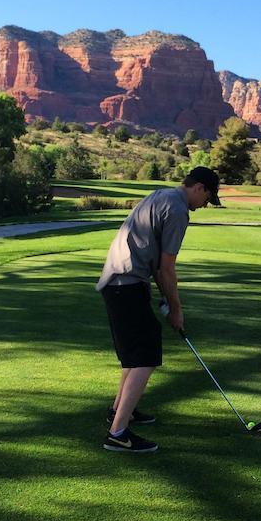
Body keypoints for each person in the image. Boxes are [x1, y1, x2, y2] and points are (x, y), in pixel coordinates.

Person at [96, 166, 221, 453]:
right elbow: (167, 267)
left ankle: (119, 410)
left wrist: (165, 297)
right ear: (199, 188)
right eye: (207, 199)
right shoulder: (178, 210)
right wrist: (176, 308)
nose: (204, 206)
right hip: (126, 282)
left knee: (135, 353)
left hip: (117, 280)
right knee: (145, 355)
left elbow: (152, 256)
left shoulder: (160, 195)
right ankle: (118, 433)